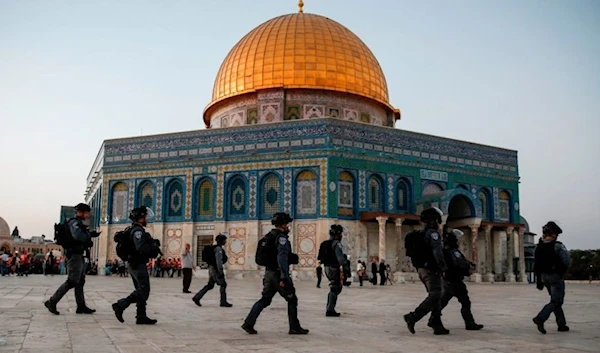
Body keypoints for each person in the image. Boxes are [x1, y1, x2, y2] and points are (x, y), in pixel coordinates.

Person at [242, 212, 309, 335]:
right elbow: (282, 258)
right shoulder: (281, 238)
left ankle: (248, 323)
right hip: (278, 274)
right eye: (287, 224)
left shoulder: (268, 236)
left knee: (265, 299)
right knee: (292, 299)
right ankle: (294, 327)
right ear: (283, 224)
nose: (288, 227)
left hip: (268, 273)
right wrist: (284, 277)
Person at [45, 203, 100, 315]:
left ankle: (81, 306)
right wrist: (88, 236)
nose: (87, 215)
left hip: (78, 254)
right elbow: (78, 236)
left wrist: (90, 234)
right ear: (80, 212)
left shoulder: (78, 223)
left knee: (80, 281)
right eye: (86, 212)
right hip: (74, 254)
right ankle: (52, 301)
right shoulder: (74, 223)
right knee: (72, 280)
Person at [112, 206, 162, 325]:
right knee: (144, 290)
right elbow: (141, 247)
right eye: (144, 217)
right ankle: (121, 305)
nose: (146, 219)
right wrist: (153, 247)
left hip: (135, 263)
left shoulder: (134, 229)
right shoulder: (137, 231)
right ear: (140, 218)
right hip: (137, 263)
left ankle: (141, 315)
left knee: (140, 289)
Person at [404, 207, 449, 335]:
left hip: (421, 270)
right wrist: (443, 268)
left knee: (436, 296)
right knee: (435, 294)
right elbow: (438, 252)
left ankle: (436, 323)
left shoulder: (420, 234)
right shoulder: (433, 234)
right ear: (433, 221)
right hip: (431, 270)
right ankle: (413, 317)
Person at [428, 228, 483, 331]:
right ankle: (469, 323)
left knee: (444, 301)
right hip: (454, 281)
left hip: (448, 280)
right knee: (464, 302)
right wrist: (468, 267)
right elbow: (460, 264)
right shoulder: (453, 251)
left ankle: (433, 319)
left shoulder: (445, 250)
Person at [533, 221, 571, 334]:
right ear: (553, 234)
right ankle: (541, 317)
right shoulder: (557, 246)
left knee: (555, 301)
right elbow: (566, 261)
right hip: (555, 277)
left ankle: (562, 324)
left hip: (544, 277)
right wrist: (561, 272)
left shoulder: (538, 247)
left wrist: (538, 280)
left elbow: (536, 265)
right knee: (556, 301)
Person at [193, 234, 232, 307]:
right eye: (225, 240)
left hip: (211, 268)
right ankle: (223, 301)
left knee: (210, 285)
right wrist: (220, 272)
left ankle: (197, 297)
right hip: (215, 269)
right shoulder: (218, 249)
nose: (225, 241)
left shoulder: (215, 248)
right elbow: (218, 261)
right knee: (223, 284)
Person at [320, 224, 346, 317]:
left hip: (326, 267)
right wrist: (345, 267)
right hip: (333, 268)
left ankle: (329, 307)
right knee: (335, 287)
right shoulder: (336, 243)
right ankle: (330, 310)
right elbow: (340, 258)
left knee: (334, 287)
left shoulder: (325, 243)